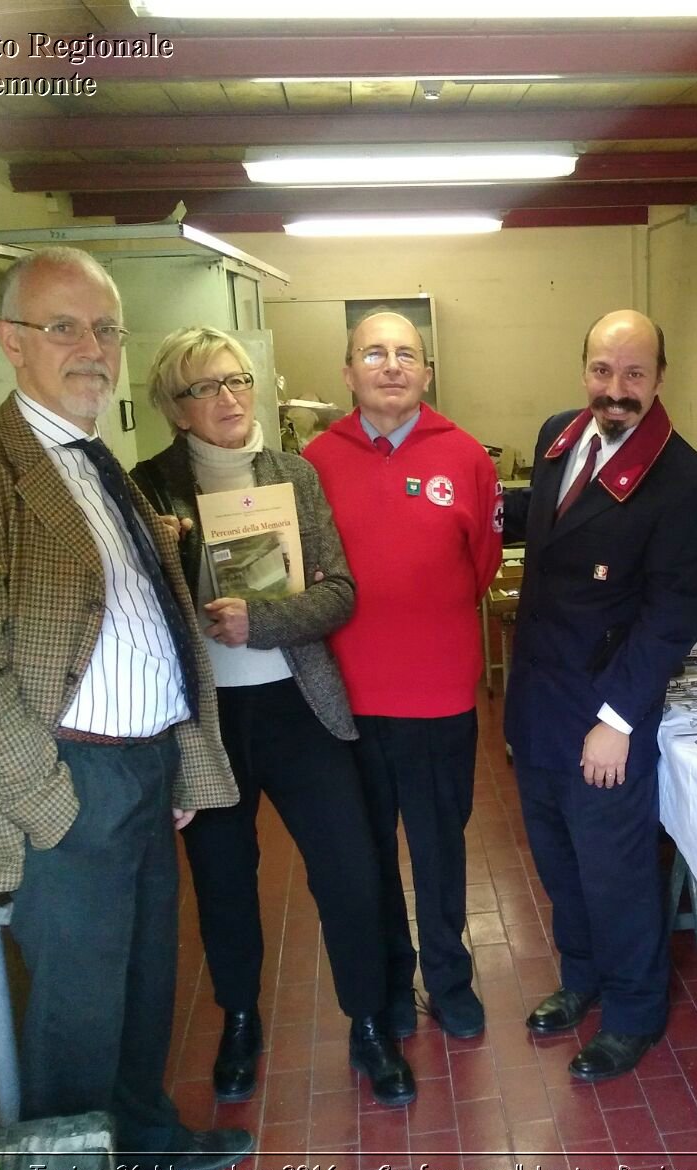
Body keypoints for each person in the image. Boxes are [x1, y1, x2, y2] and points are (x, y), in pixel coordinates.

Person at [0, 248, 254, 1170]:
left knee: (144, 987)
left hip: (139, 769)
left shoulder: (95, 463)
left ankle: (143, 1148)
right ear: (10, 342)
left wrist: (177, 760)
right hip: (67, 781)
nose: (90, 347)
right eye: (64, 326)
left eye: (104, 328)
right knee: (76, 1010)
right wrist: (54, 806)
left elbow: (154, 628)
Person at [131, 327, 416, 1108]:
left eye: (235, 380)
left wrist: (261, 623)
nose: (226, 399)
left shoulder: (295, 474)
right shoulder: (146, 487)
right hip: (208, 720)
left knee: (349, 870)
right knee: (223, 882)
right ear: (174, 408)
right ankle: (240, 1019)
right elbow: (137, 613)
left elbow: (338, 593)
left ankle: (367, 1024)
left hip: (299, 706)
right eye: (202, 388)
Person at [501, 309, 697, 1082]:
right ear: (584, 370)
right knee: (560, 860)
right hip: (537, 697)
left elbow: (672, 617)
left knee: (615, 871)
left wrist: (619, 718)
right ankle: (581, 976)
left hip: (604, 712)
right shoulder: (559, 435)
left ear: (661, 377)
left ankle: (633, 1011)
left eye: (634, 374)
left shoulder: (689, 483)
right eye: (603, 370)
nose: (616, 390)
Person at [303, 311, 502, 1040]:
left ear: (426, 372)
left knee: (441, 850)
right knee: (369, 855)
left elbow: (480, 564)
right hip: (346, 701)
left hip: (440, 695)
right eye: (373, 353)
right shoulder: (314, 460)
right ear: (348, 371)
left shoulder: (467, 458)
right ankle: (390, 982)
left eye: (406, 355)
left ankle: (449, 979)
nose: (391, 366)